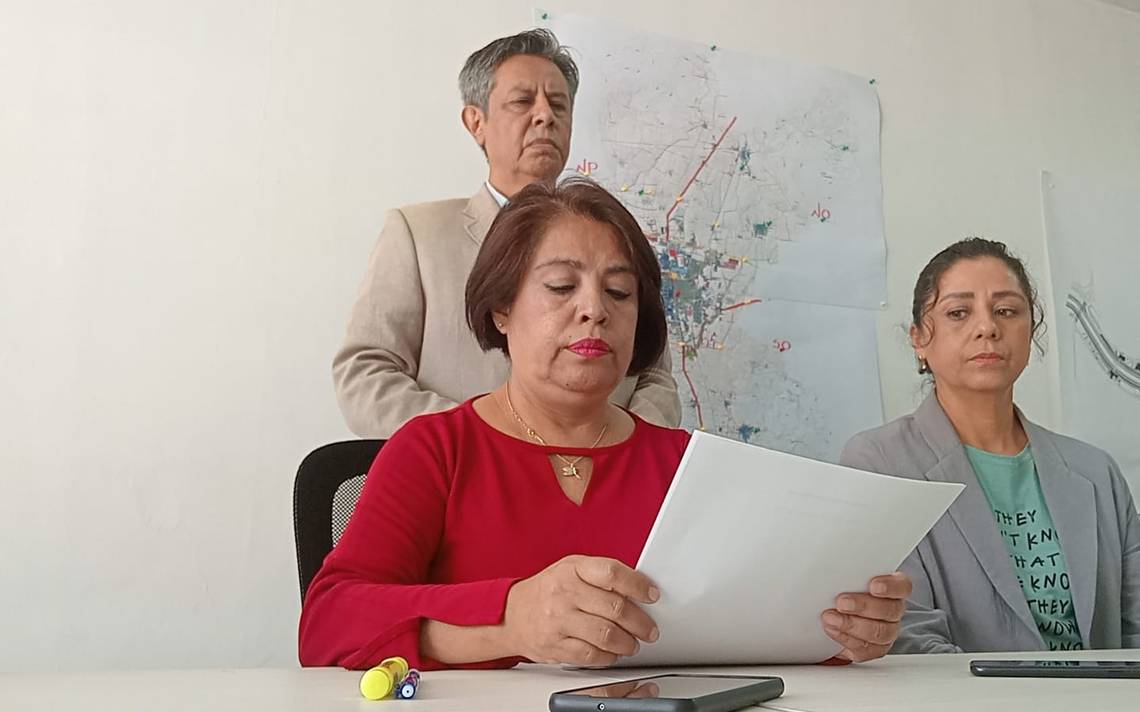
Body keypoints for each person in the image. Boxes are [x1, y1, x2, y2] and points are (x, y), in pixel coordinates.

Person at [300, 179, 911, 670]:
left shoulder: (689, 464)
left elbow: (752, 626)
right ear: (502, 308)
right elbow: (328, 622)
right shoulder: (435, 448)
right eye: (561, 285)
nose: (594, 309)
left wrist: (841, 634)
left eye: (619, 292)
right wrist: (510, 621)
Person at [333, 29, 680, 438]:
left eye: (558, 104)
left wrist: (623, 446)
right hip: (464, 469)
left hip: (602, 468)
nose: (545, 116)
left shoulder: (616, 237)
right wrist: (476, 438)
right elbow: (365, 372)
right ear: (476, 122)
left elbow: (655, 374)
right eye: (522, 101)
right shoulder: (418, 235)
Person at [841, 237, 1140, 653]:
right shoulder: (878, 462)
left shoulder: (1096, 471)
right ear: (919, 339)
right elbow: (905, 637)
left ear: (1031, 330)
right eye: (958, 313)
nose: (988, 328)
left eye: (1006, 311)